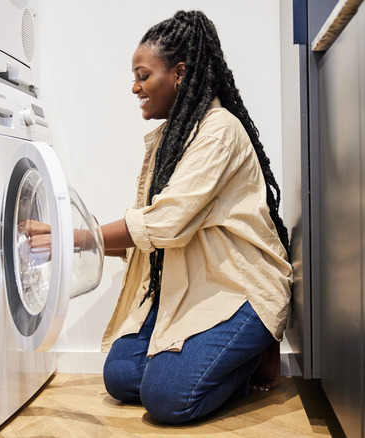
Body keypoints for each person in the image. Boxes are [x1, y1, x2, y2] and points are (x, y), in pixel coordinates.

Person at [97, 10, 292, 424]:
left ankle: (252, 352)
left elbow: (164, 224)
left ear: (180, 73)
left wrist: (74, 238)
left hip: (238, 289)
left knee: (166, 398)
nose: (135, 88)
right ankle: (203, 361)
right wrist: (76, 240)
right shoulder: (169, 137)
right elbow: (151, 227)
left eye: (143, 75)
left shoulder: (219, 130)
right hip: (191, 289)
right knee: (119, 376)